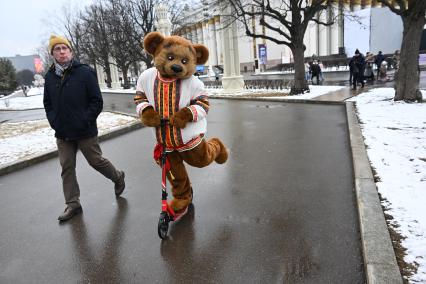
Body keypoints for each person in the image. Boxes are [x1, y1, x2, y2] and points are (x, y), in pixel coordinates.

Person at [43, 35, 126, 222]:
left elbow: (97, 101)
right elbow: (47, 103)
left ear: (70, 51)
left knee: (96, 161)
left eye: (65, 48)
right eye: (57, 49)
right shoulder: (49, 77)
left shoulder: (84, 72)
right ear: (53, 53)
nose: (62, 51)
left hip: (85, 130)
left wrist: (85, 120)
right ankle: (73, 204)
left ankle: (118, 177)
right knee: (67, 167)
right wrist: (54, 121)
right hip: (63, 132)